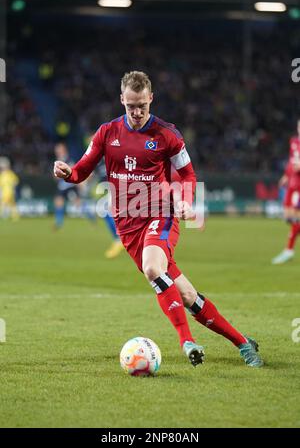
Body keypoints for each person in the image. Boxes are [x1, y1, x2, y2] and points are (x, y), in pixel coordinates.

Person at [54, 71, 263, 368]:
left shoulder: (167, 135)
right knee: (188, 294)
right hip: (127, 227)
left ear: (151, 98)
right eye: (130, 106)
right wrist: (68, 173)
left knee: (153, 268)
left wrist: (185, 202)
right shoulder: (106, 133)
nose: (137, 112)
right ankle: (243, 343)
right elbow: (81, 170)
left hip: (159, 214)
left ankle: (186, 341)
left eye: (142, 105)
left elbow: (188, 174)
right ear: (122, 100)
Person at [272, 118, 300, 264]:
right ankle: (289, 249)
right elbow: (291, 161)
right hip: (292, 184)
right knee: (289, 217)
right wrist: (286, 175)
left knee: (296, 218)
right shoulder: (294, 142)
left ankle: (289, 250)